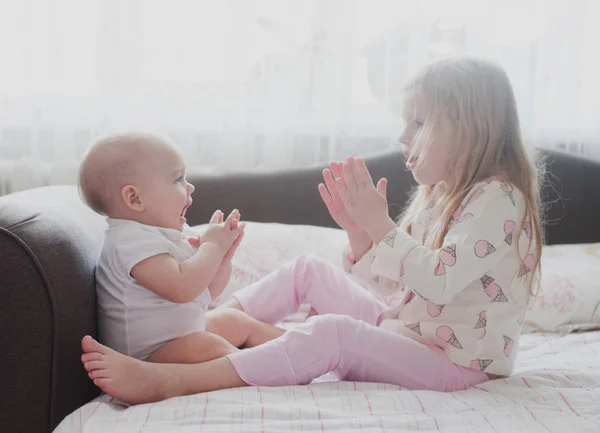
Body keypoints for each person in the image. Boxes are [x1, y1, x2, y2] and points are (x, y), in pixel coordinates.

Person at [80, 56, 544, 405]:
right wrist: (360, 234)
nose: (402, 136)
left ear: (468, 128)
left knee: (333, 334)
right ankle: (197, 331)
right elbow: (392, 290)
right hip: (408, 329)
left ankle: (174, 377)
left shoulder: (499, 200)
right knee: (306, 270)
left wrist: (381, 228)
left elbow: (438, 281)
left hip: (453, 366)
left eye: (418, 122)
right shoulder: (440, 195)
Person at [78, 133, 285, 365]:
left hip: (181, 339)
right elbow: (182, 288)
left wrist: (222, 258)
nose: (191, 187)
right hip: (147, 358)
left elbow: (209, 290)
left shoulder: (162, 235)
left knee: (233, 320)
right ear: (135, 198)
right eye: (178, 179)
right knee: (207, 346)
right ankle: (268, 366)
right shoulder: (128, 241)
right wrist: (212, 247)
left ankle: (301, 344)